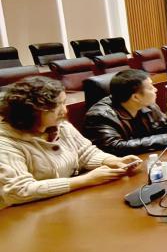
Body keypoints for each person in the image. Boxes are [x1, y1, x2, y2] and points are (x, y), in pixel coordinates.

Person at [0, 77, 142, 208]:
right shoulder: (5, 142)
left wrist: (112, 161)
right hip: (22, 215)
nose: (65, 110)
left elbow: (86, 153)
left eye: (64, 102)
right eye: (58, 105)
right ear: (33, 111)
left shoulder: (60, 125)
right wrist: (84, 180)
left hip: (63, 204)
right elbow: (18, 191)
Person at [84, 69, 167, 156]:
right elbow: (114, 147)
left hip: (147, 157)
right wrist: (165, 139)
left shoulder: (147, 104)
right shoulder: (100, 115)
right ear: (136, 97)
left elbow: (165, 120)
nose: (155, 90)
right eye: (151, 88)